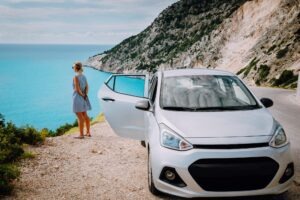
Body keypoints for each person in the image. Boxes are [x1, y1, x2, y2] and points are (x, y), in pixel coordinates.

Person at [72, 61, 92, 139]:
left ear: (76, 68)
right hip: (84, 97)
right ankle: (88, 132)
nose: (73, 68)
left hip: (77, 97)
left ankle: (81, 135)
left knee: (79, 116)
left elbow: (77, 89)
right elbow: (87, 87)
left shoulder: (75, 77)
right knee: (85, 115)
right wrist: (85, 95)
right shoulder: (84, 76)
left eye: (73, 67)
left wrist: (81, 95)